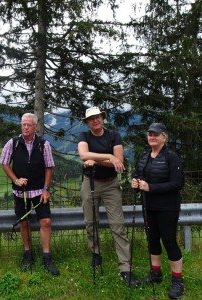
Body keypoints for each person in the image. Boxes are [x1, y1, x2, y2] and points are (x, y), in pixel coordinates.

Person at [77, 107, 138, 286]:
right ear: (87, 122)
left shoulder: (114, 135)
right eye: (91, 119)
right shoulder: (84, 136)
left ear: (103, 118)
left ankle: (125, 267)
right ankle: (96, 253)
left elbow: (119, 164)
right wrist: (109, 156)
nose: (95, 121)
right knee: (91, 222)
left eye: (97, 117)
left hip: (111, 184)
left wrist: (95, 159)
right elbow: (83, 154)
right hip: (90, 182)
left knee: (118, 225)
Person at [0, 113, 59, 276]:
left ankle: (46, 256)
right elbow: (4, 162)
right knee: (24, 222)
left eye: (29, 125)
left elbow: (49, 167)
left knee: (45, 221)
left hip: (40, 191)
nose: (25, 127)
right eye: (23, 124)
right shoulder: (13, 143)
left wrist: (46, 188)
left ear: (35, 127)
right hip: (21, 192)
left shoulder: (43, 144)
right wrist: (15, 179)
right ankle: (28, 254)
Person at [131, 122, 185, 298]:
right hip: (148, 206)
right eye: (149, 134)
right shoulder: (145, 155)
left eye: (156, 134)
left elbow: (178, 184)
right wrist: (136, 184)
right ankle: (156, 273)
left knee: (169, 241)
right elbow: (138, 175)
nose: (152, 137)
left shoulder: (172, 157)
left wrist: (151, 188)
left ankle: (177, 281)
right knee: (152, 240)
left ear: (164, 137)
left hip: (167, 207)